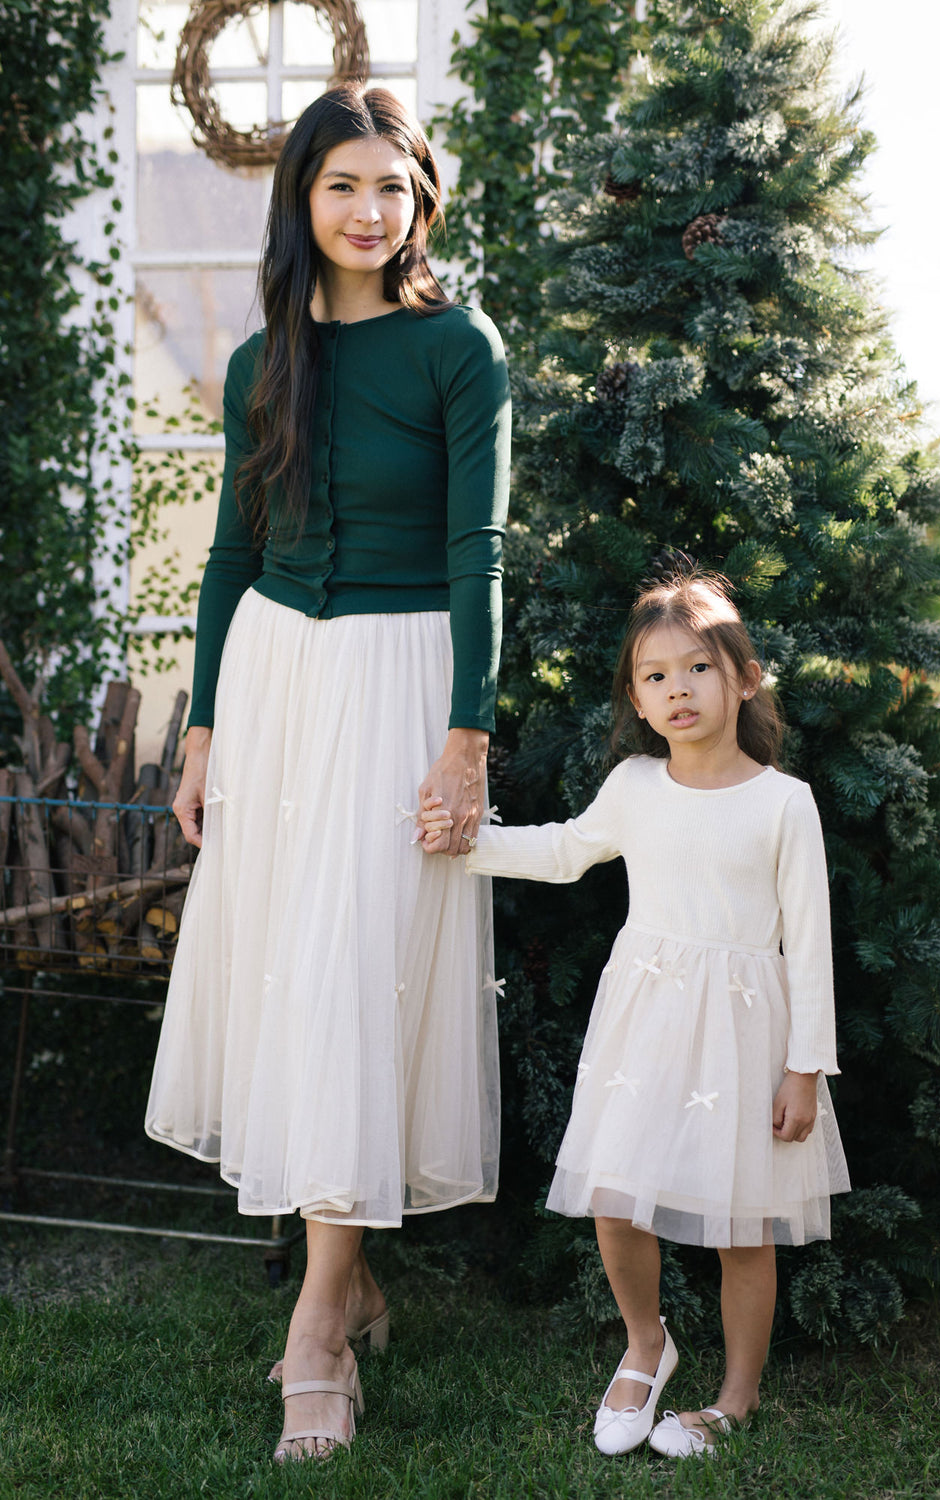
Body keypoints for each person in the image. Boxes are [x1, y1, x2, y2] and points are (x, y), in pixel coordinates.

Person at [144, 83, 511, 1461]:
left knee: (365, 967)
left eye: (393, 188)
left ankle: (314, 1329)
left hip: (404, 673)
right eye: (343, 185)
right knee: (295, 970)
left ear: (423, 200)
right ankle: (349, 1286)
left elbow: (479, 551)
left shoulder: (457, 349)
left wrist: (467, 732)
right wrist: (202, 725)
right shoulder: (261, 364)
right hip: (279, 678)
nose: (371, 212)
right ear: (302, 198)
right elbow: (232, 555)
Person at [420, 569, 850, 1459]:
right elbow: (567, 850)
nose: (678, 689)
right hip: (645, 1023)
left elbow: (810, 946)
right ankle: (646, 1346)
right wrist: (463, 844)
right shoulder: (634, 784)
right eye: (655, 676)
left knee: (743, 1227)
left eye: (698, 668)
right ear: (637, 699)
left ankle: (736, 1399)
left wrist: (806, 1069)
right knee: (616, 1196)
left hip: (743, 1036)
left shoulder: (782, 803)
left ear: (743, 677)